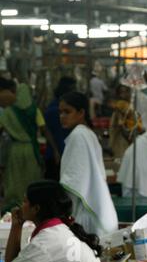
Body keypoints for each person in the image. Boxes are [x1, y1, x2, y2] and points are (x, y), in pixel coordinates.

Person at [4, 180, 103, 262]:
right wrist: (16, 226)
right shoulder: (61, 229)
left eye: (25, 201)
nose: (21, 206)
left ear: (36, 208)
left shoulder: (43, 244)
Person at [59, 91, 118, 237]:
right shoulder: (86, 133)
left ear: (81, 113)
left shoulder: (78, 135)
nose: (62, 116)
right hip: (101, 210)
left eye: (67, 112)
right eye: (60, 112)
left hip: (87, 215)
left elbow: (72, 182)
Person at [0, 82, 60, 210]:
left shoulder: (8, 112)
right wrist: (55, 150)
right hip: (31, 150)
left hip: (15, 150)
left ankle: (14, 208)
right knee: (31, 178)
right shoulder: (35, 111)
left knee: (15, 180)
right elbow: (45, 131)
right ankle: (31, 206)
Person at [44, 76, 77, 180]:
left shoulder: (52, 107)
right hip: (59, 152)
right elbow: (48, 131)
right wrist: (56, 151)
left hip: (58, 152)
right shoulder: (58, 110)